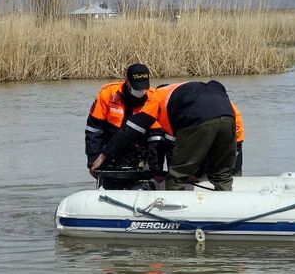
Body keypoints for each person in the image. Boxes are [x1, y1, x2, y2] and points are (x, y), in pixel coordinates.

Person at [90, 80, 236, 191]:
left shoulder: (155, 99)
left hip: (197, 119)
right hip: (228, 115)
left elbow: (129, 131)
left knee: (177, 177)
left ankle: (173, 217)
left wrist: (103, 155)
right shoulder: (181, 92)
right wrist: (196, 172)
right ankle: (225, 207)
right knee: (221, 173)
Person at [84, 63, 167, 189]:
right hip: (111, 150)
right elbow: (94, 130)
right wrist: (93, 160)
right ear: (127, 82)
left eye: (143, 88)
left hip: (138, 150)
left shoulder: (153, 98)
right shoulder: (108, 94)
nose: (140, 91)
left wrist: (156, 168)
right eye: (137, 88)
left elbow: (155, 137)